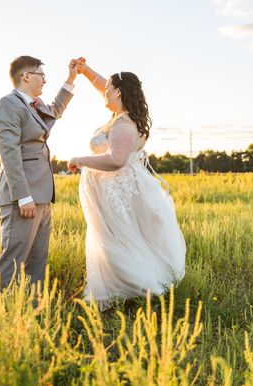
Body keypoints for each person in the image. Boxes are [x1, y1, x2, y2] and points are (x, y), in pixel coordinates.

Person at [69, 58, 186, 310]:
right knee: (119, 239)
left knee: (117, 242)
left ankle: (140, 289)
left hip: (118, 193)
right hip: (117, 190)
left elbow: (116, 161)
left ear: (119, 92)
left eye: (109, 90)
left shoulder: (123, 124)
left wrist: (80, 160)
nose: (105, 92)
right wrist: (86, 71)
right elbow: (104, 85)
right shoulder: (121, 116)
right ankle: (124, 292)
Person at [0, 55, 78, 290]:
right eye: (41, 75)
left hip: (42, 196)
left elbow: (57, 109)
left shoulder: (35, 106)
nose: (44, 81)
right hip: (24, 197)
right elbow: (9, 153)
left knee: (37, 262)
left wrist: (71, 78)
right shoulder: (8, 104)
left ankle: (31, 314)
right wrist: (24, 196)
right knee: (12, 260)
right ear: (26, 76)